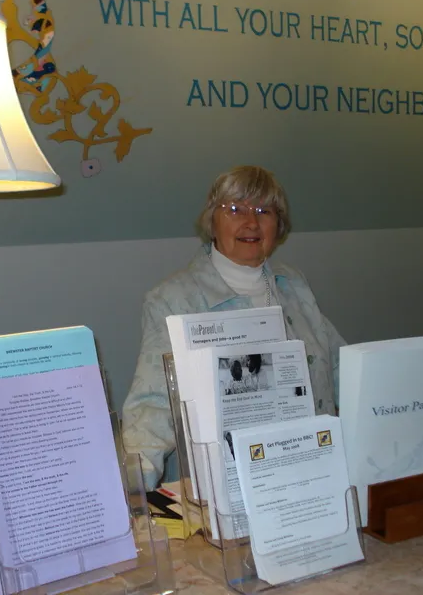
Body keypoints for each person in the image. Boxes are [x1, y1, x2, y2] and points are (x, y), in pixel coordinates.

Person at [121, 165, 346, 489]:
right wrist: (135, 491)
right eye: (235, 209)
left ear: (278, 225)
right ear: (212, 221)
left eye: (263, 211)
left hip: (307, 476)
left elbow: (338, 364)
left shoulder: (292, 285)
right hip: (222, 490)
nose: (251, 222)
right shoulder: (173, 299)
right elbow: (154, 403)